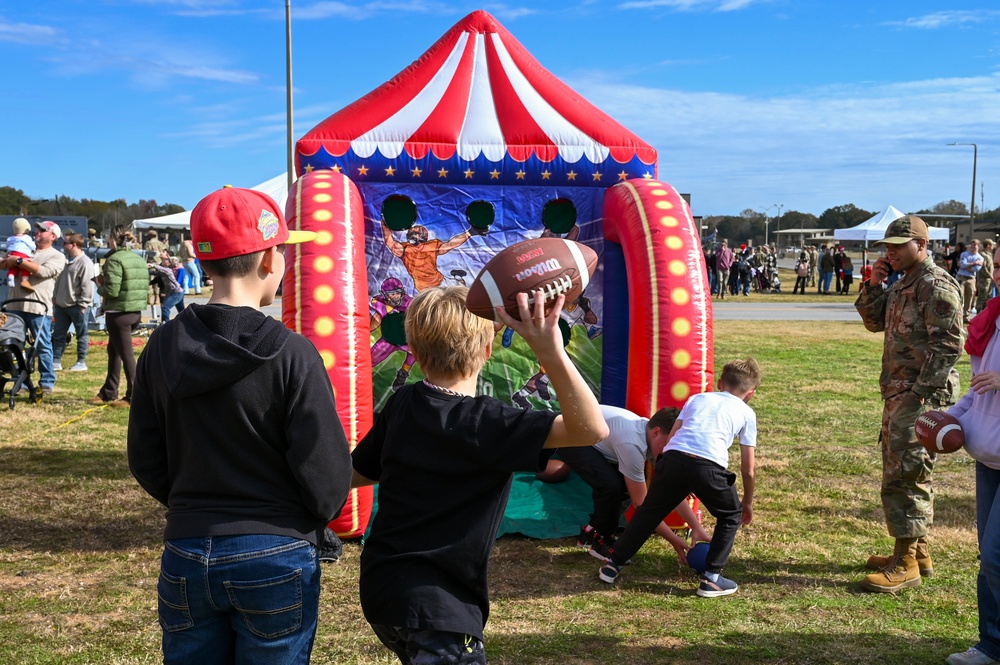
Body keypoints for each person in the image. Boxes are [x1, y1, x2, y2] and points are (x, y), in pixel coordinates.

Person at [127, 185, 353, 665]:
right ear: (271, 260)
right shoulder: (294, 353)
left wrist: (193, 502)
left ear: (203, 262)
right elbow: (328, 476)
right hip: (278, 549)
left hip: (188, 547)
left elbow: (146, 458)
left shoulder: (161, 347)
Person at [350, 285, 609, 664]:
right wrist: (550, 350)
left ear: (416, 354)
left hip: (383, 592)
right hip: (442, 611)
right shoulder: (489, 423)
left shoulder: (403, 402)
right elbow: (592, 430)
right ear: (488, 350)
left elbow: (356, 472)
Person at [855, 215, 964, 593]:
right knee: (901, 468)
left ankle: (906, 564)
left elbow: (949, 345)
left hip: (920, 395)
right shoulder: (904, 283)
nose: (892, 252)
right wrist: (874, 283)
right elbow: (873, 322)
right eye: (888, 246)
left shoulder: (935, 285)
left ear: (922, 245)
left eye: (899, 245)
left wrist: (919, 396)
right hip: (901, 393)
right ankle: (917, 551)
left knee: (907, 474)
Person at [598, 358, 761, 598]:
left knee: (648, 513)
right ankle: (712, 578)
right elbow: (748, 469)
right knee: (730, 516)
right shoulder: (747, 413)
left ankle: (613, 564)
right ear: (751, 393)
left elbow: (673, 435)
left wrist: (676, 473)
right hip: (710, 466)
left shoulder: (697, 398)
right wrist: (746, 503)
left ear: (719, 382)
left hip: (673, 460)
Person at [561, 404, 712, 563]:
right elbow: (642, 506)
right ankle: (602, 540)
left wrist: (696, 526)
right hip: (569, 435)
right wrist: (673, 539)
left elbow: (669, 489)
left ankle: (592, 532)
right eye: (670, 444)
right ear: (656, 432)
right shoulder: (633, 445)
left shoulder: (653, 437)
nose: (671, 450)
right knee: (612, 486)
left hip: (584, 431)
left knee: (624, 485)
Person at [944, 242, 1000, 665]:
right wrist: (945, 417)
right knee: (989, 558)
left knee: (997, 556)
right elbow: (975, 391)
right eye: (998, 267)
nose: (999, 275)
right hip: (987, 459)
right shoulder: (990, 321)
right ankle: (991, 646)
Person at [1, 220, 66, 395]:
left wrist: (19, 261)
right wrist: (10, 260)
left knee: (43, 345)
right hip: (14, 305)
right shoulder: (24, 246)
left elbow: (44, 272)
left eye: (42, 230)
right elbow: (3, 262)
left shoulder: (57, 256)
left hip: (38, 308)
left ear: (53, 236)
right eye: (36, 228)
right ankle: (21, 382)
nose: (37, 231)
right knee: (15, 346)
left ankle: (46, 382)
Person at [90, 224, 147, 406]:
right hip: (134, 311)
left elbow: (112, 291)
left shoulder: (114, 260)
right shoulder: (137, 258)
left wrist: (99, 286)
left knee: (126, 355)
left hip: (118, 312)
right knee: (114, 351)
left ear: (113, 239)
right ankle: (108, 391)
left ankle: (134, 396)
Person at [381, 223, 472, 292]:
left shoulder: (431, 245)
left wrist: (469, 233)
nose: (412, 235)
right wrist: (385, 224)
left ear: (422, 235)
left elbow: (451, 244)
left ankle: (457, 277)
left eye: (415, 233)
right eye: (411, 233)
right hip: (422, 287)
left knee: (462, 289)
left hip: (439, 280)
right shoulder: (405, 249)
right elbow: (390, 242)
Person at [51, 232, 95, 373]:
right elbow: (59, 280)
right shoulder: (65, 261)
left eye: (65, 243)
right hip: (62, 305)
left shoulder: (85, 263)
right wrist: (55, 296)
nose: (62, 246)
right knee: (58, 334)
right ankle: (56, 361)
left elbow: (87, 285)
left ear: (74, 245)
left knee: (82, 334)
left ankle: (81, 362)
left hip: (77, 306)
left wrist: (84, 304)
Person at [148, 256, 186, 323]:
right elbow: (158, 273)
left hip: (177, 293)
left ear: (169, 263)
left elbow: (162, 269)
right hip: (178, 292)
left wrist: (152, 265)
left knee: (165, 307)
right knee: (181, 310)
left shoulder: (168, 270)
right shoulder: (168, 270)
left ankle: (165, 324)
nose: (165, 260)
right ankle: (187, 322)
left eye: (167, 260)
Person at [958, 239, 985, 324]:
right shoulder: (964, 254)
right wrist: (975, 263)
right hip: (961, 278)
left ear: (979, 247)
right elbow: (962, 265)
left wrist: (967, 266)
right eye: (972, 245)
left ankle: (966, 316)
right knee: (959, 296)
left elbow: (976, 269)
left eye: (975, 245)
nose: (973, 247)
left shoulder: (980, 258)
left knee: (969, 298)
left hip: (971, 279)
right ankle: (958, 315)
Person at [5, 217, 35, 290]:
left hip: (12, 253)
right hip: (22, 255)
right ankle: (25, 281)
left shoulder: (11, 238)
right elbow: (32, 246)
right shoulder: (26, 238)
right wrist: (34, 249)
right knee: (25, 267)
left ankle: (11, 276)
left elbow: (7, 245)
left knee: (13, 268)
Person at [978, 239, 996, 314]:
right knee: (982, 298)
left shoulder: (989, 254)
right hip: (984, 280)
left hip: (989, 280)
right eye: (992, 245)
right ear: (988, 245)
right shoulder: (983, 255)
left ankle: (984, 314)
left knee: (988, 298)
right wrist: (990, 275)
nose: (993, 246)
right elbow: (983, 268)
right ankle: (978, 314)